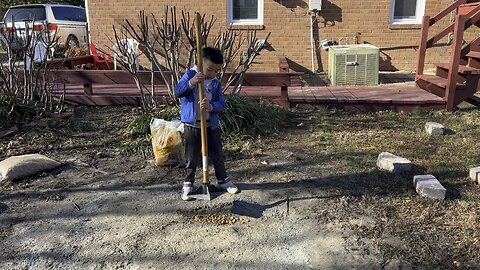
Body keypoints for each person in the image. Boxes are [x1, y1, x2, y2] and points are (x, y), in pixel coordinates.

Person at [174, 47, 239, 201]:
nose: (213, 74)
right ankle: (188, 184)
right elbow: (177, 92)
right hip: (192, 124)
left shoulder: (215, 83)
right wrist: (192, 82)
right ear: (200, 63)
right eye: (210, 69)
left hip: (211, 124)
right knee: (192, 155)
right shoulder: (191, 74)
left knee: (216, 153)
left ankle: (223, 180)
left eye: (217, 71)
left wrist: (211, 107)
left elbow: (221, 104)